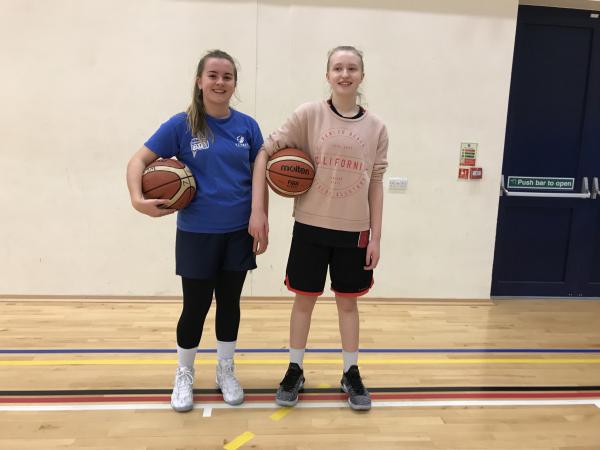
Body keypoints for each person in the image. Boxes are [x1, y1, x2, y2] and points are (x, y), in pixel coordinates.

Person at [126, 49, 267, 412]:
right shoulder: (181, 124)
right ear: (200, 81)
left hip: (238, 231)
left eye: (228, 76)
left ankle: (225, 369)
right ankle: (184, 373)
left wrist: (259, 213)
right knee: (196, 306)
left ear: (235, 83)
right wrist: (137, 199)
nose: (221, 82)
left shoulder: (247, 126)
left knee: (230, 304)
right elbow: (138, 160)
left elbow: (258, 173)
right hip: (197, 233)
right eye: (214, 75)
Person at [249, 45, 388, 411]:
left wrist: (376, 236)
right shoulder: (308, 115)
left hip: (354, 231)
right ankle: (294, 368)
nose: (345, 74)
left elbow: (376, 183)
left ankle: (350, 371)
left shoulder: (376, 127)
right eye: (338, 68)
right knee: (304, 302)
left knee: (348, 306)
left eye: (352, 68)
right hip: (310, 225)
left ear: (361, 75)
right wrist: (259, 208)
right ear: (327, 75)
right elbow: (265, 151)